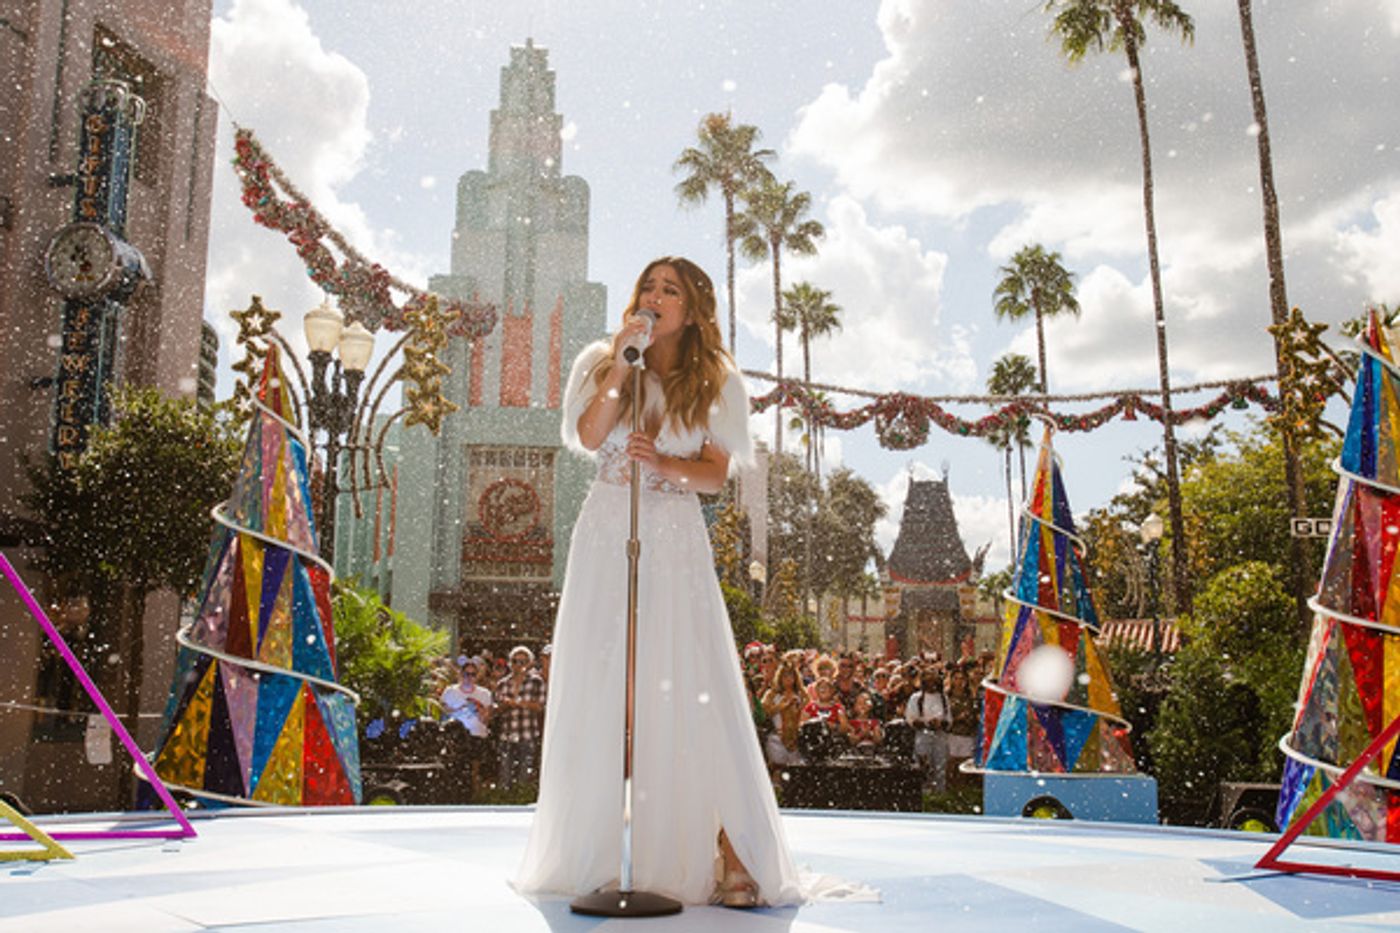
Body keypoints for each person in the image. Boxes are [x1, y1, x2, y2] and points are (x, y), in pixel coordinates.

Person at [514, 257, 802, 908]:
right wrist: (621, 362)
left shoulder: (717, 381)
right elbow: (590, 435)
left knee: (687, 683)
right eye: (648, 285)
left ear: (694, 309)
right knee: (609, 685)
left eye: (670, 290)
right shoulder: (604, 357)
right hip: (606, 533)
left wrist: (666, 463)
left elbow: (713, 476)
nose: (654, 296)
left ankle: (724, 846)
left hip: (673, 538)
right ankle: (604, 849)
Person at [493, 645, 547, 789]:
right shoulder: (503, 683)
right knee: (505, 776)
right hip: (507, 734)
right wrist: (505, 705)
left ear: (529, 663)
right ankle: (505, 802)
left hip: (527, 733)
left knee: (525, 774)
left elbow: (540, 707)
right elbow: (496, 710)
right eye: (515, 661)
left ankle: (522, 800)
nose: (519, 665)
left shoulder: (536, 682)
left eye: (523, 662)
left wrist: (518, 703)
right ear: (510, 663)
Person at [905, 667, 951, 794]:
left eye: (934, 677)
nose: (931, 681)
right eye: (928, 678)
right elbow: (910, 719)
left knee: (940, 766)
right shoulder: (916, 698)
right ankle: (923, 793)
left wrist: (940, 723)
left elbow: (948, 719)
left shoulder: (943, 698)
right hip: (922, 736)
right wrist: (927, 723)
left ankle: (940, 794)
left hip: (940, 736)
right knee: (923, 766)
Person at [760, 656, 806, 770]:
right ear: (780, 677)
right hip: (777, 738)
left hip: (796, 740)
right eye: (785, 675)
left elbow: (806, 714)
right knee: (777, 769)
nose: (788, 678)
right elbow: (764, 712)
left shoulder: (802, 695)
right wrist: (783, 705)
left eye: (791, 675)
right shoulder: (771, 694)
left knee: (796, 771)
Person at [440, 655, 492, 739]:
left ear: (477, 675)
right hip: (454, 738)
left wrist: (478, 710)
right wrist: (461, 708)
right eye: (466, 674)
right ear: (461, 673)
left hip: (478, 737)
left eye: (473, 674)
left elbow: (486, 720)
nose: (469, 677)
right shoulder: (450, 691)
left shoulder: (485, 693)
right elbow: (444, 714)